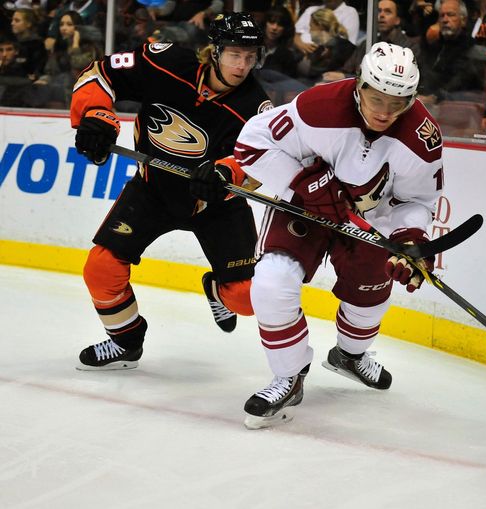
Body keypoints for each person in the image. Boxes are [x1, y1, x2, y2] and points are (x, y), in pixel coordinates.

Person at [233, 42, 443, 428]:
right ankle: (289, 376)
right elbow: (251, 144)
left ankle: (350, 355)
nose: (384, 111)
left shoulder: (422, 139)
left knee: (370, 293)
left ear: (411, 99)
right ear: (359, 84)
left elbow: (418, 200)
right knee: (271, 283)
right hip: (303, 205)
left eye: (397, 103)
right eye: (376, 98)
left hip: (371, 218)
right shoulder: (319, 106)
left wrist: (410, 239)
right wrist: (302, 183)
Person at [70, 12, 273, 370]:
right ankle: (126, 341)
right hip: (153, 189)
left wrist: (226, 174)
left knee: (245, 299)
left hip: (214, 204)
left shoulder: (256, 108)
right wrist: (94, 114)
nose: (242, 65)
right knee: (100, 269)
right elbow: (101, 72)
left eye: (250, 56)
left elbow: (261, 163)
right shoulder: (164, 61)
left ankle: (216, 289)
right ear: (214, 51)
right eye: (234, 54)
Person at [320, 0, 420, 83]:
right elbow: (347, 69)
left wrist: (345, 77)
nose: (381, 15)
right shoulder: (367, 43)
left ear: (397, 20)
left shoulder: (408, 48)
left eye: (387, 12)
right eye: (378, 11)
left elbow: (393, 81)